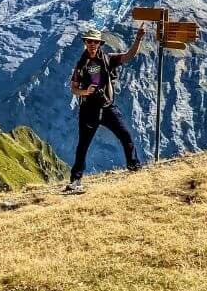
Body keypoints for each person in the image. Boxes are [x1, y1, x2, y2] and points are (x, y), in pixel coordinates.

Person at [62, 25, 147, 194]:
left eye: (95, 42)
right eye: (89, 41)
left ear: (100, 44)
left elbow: (129, 55)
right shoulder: (81, 64)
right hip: (88, 110)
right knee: (83, 145)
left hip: (107, 107)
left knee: (126, 135)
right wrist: (85, 92)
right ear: (86, 43)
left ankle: (134, 166)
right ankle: (75, 180)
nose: (92, 44)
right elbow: (73, 88)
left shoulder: (108, 59)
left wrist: (138, 39)